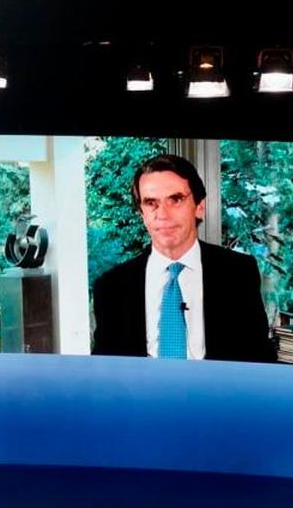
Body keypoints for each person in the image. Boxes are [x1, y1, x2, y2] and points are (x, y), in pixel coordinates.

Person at [92, 153, 275, 362]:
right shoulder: (111, 287)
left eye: (176, 199)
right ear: (142, 214)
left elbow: (259, 358)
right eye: (151, 203)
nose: (163, 214)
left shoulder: (238, 273)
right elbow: (104, 371)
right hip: (141, 394)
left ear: (199, 207)